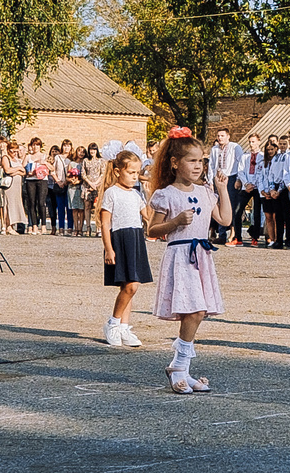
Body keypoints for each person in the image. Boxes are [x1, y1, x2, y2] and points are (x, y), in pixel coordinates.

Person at [146, 134, 225, 393]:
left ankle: (181, 369)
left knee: (198, 310)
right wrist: (175, 222)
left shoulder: (205, 192)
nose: (197, 166)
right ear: (174, 163)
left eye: (200, 161)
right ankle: (179, 367)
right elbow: (152, 229)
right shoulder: (165, 194)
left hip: (201, 256)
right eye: (191, 161)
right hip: (181, 255)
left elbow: (224, 219)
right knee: (194, 310)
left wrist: (222, 189)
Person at [96, 146, 153, 347]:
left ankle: (124, 327)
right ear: (118, 171)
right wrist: (109, 249)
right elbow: (105, 223)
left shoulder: (136, 195)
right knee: (129, 286)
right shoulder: (111, 193)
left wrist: (149, 195)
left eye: (137, 173)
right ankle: (113, 323)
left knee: (132, 285)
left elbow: (149, 219)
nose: (135, 177)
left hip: (135, 239)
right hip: (119, 240)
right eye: (131, 172)